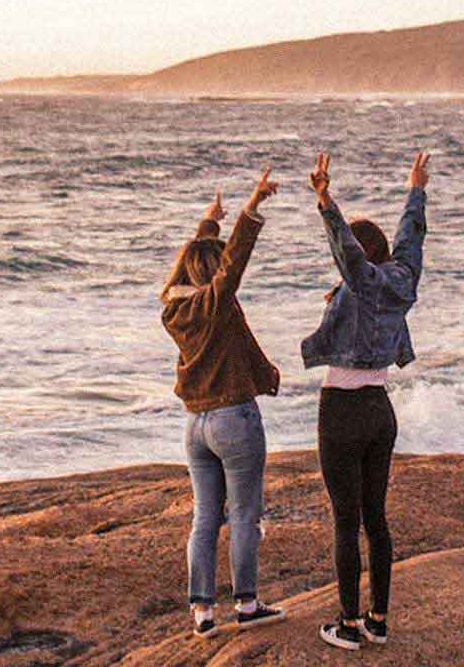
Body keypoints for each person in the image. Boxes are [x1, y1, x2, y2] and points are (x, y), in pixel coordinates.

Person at [301, 151, 430, 652]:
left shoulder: (364, 282)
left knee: (344, 520)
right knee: (375, 518)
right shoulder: (401, 282)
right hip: (381, 411)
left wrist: (324, 200)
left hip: (343, 411)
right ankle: (378, 619)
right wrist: (415, 189)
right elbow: (411, 240)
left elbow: (348, 253)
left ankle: (348, 625)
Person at [159, 166, 288, 639]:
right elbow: (232, 264)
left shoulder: (174, 309)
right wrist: (251, 208)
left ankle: (202, 614)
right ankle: (248, 604)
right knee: (245, 517)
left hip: (195, 425)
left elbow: (193, 264)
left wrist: (207, 225)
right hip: (234, 418)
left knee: (204, 519)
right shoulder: (214, 302)